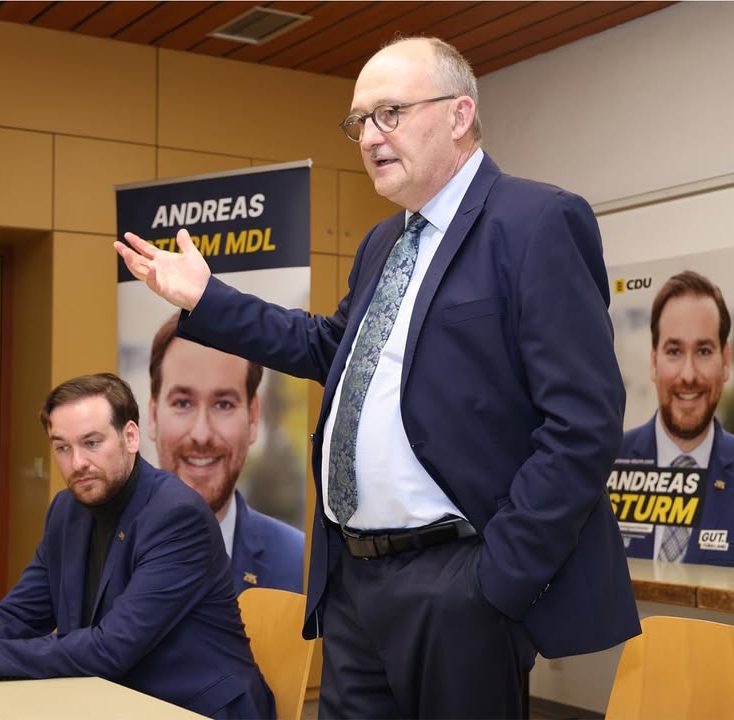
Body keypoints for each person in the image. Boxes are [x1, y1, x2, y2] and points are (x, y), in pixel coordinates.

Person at [116, 36, 638, 718]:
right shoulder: (383, 242)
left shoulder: (535, 221)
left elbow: (584, 423)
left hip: (462, 583)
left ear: (458, 115)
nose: (368, 137)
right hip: (356, 583)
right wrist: (205, 298)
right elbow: (328, 348)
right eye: (359, 121)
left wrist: (498, 578)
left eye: (389, 113)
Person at [0, 373, 273, 719]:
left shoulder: (177, 515)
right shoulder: (67, 509)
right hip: (116, 699)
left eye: (92, 443)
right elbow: (21, 614)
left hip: (194, 707)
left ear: (131, 436)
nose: (76, 463)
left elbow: (113, 647)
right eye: (62, 447)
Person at [148, 315, 305, 593]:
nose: (201, 434)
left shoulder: (301, 568)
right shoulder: (91, 560)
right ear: (152, 416)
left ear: (253, 417)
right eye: (182, 403)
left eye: (223, 404)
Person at [619, 270, 734, 566]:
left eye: (704, 351)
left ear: (725, 362)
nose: (688, 375)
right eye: (674, 351)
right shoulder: (607, 465)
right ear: (653, 362)